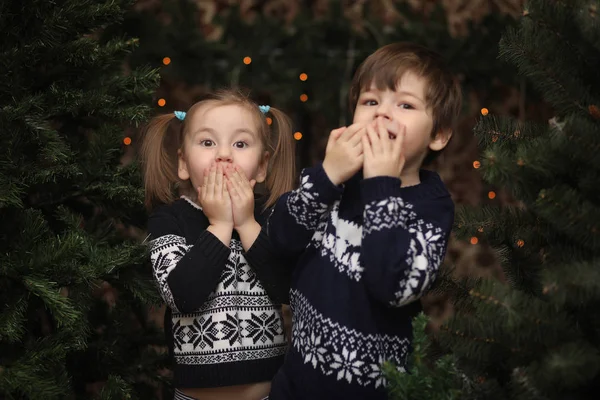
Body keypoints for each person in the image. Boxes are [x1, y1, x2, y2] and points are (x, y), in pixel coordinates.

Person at [267, 42, 463, 399]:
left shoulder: (432, 209)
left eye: (405, 104)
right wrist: (327, 176)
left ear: (438, 135)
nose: (382, 114)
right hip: (295, 379)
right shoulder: (335, 180)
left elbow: (393, 286)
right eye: (371, 102)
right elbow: (279, 240)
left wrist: (381, 186)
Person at [140, 89, 296, 400]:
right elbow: (182, 296)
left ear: (262, 166)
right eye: (208, 142)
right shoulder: (169, 221)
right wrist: (221, 225)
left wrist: (247, 223)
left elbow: (287, 290)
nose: (224, 154)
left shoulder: (270, 217)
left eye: (240, 143)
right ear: (183, 163)